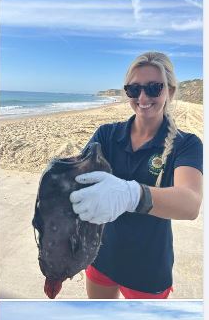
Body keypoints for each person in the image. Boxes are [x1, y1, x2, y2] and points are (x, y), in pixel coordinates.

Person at [69, 52, 203, 299]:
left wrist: (133, 195)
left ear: (170, 92)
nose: (143, 97)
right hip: (101, 257)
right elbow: (76, 180)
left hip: (148, 269)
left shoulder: (186, 145)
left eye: (154, 88)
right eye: (134, 89)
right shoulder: (106, 135)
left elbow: (190, 203)